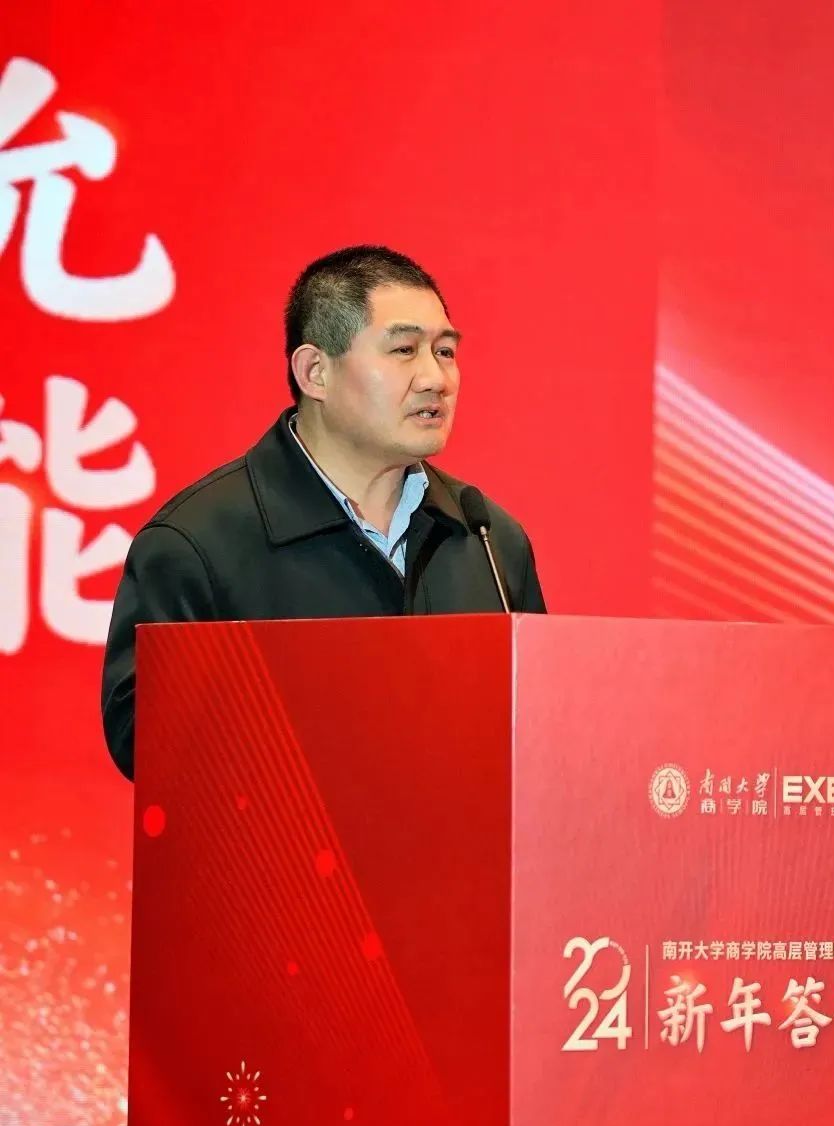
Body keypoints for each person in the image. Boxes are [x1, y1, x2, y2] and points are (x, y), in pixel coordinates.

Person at [101, 245, 546, 780]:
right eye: (404, 350)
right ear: (315, 372)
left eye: (445, 351)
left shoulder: (488, 541)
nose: (436, 378)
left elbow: (540, 733)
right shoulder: (197, 544)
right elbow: (145, 745)